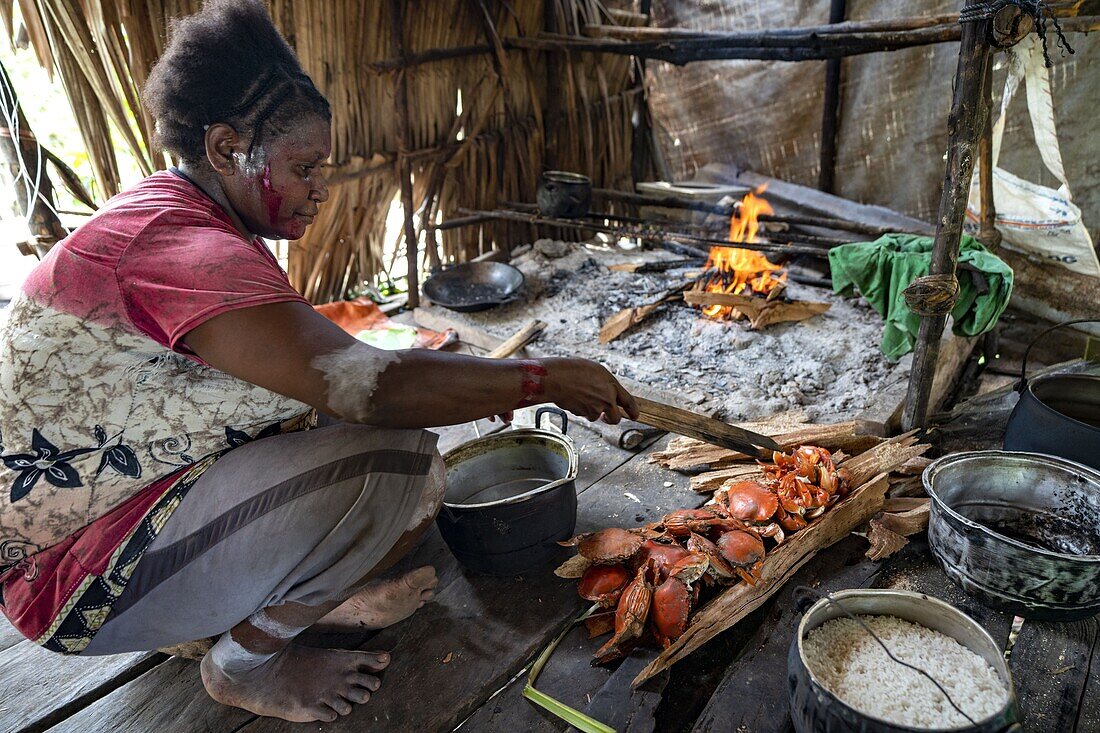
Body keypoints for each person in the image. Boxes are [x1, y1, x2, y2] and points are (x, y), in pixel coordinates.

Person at [0, 0, 636, 723]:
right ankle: (242, 664)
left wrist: (459, 387)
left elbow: (309, 380)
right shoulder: (183, 249)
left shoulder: (182, 218)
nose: (321, 189)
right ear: (224, 148)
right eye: (304, 167)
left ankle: (295, 602)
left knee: (418, 468)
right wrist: (538, 377)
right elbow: (368, 388)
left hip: (133, 515)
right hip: (67, 578)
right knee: (391, 465)